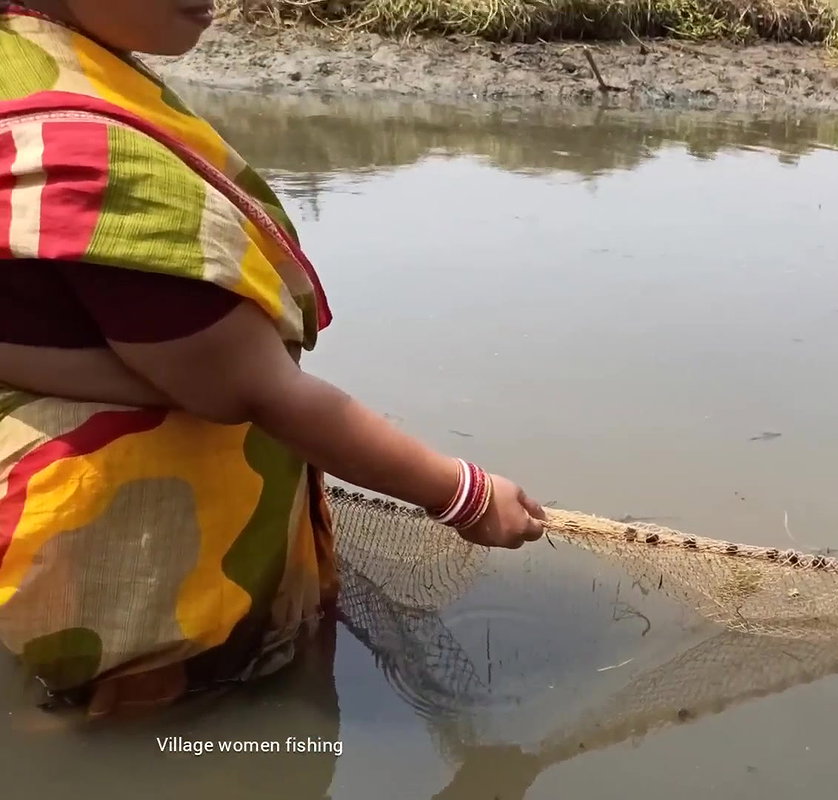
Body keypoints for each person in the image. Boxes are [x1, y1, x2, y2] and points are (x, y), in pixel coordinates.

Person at [0, 0, 547, 719]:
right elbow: (258, 391)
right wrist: (462, 494)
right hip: (124, 584)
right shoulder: (93, 163)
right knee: (165, 740)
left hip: (33, 540)